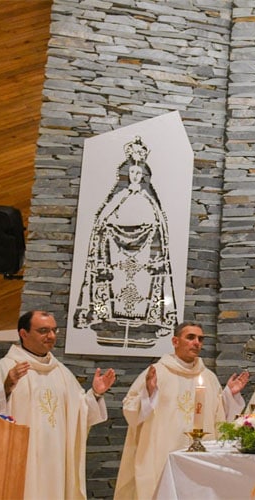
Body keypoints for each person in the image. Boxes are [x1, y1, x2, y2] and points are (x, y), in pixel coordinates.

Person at [0, 310, 116, 499]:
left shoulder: (62, 373)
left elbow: (80, 413)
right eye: (43, 330)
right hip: (21, 460)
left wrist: (96, 393)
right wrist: (6, 388)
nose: (50, 336)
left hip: (55, 460)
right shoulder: (5, 368)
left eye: (53, 330)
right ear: (23, 333)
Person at [114, 321, 249, 499]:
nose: (196, 343)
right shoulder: (156, 372)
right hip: (162, 453)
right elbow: (131, 411)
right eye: (190, 337)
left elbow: (218, 417)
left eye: (200, 339)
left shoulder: (208, 377)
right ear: (175, 341)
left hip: (200, 457)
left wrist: (229, 396)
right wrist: (148, 393)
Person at [73, 135, 177, 348]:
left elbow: (160, 225)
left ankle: (150, 323)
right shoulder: (117, 197)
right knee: (113, 284)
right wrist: (109, 231)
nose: (135, 176)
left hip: (146, 255)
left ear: (144, 175)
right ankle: (104, 319)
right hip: (115, 251)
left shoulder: (150, 199)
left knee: (144, 286)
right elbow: (102, 221)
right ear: (126, 174)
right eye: (132, 172)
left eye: (139, 173)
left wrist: (151, 233)